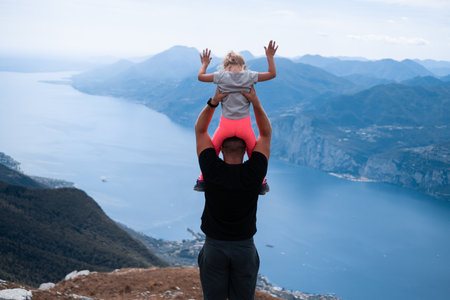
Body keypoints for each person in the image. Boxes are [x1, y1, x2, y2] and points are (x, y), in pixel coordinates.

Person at [195, 85, 272, 300]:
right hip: (244, 249)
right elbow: (266, 134)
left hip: (214, 248)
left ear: (221, 149)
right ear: (246, 148)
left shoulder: (211, 169)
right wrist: (255, 102)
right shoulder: (254, 172)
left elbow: (200, 130)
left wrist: (214, 102)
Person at [194, 41, 278, 194]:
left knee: (213, 150)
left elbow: (200, 77)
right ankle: (262, 181)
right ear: (243, 66)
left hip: (225, 126)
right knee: (255, 153)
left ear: (225, 67)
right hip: (244, 127)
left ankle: (201, 179)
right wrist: (270, 57)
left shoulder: (221, 76)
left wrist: (204, 64)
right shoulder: (249, 76)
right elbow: (272, 74)